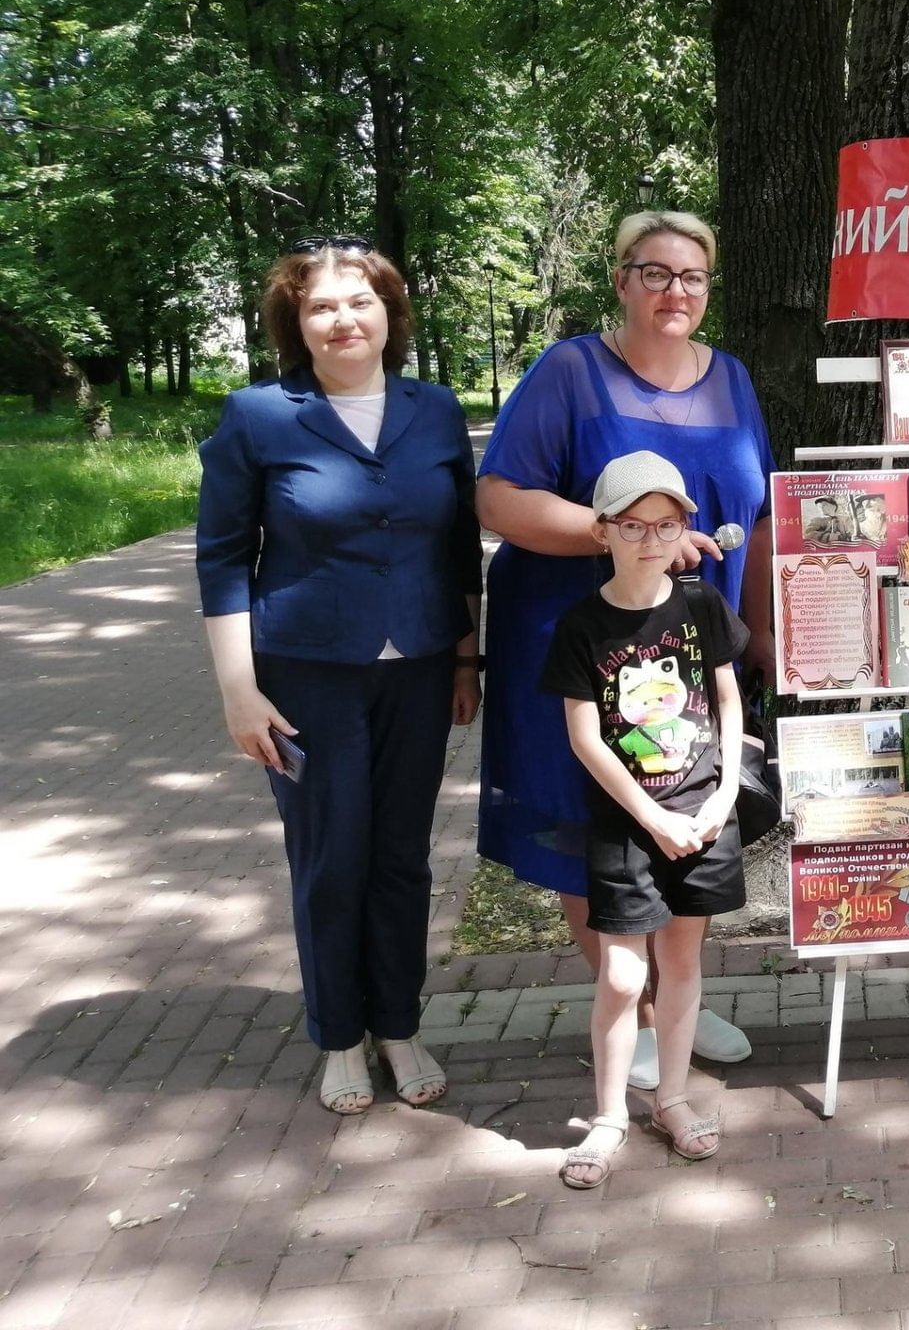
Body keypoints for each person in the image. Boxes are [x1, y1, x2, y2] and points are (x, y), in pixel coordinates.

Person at [475, 211, 773, 1082]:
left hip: (695, 654)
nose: (675, 291)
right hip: (591, 648)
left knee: (691, 814)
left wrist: (764, 641)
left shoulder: (734, 381)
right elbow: (499, 500)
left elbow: (752, 518)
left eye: (692, 277)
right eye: (655, 272)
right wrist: (626, 537)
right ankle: (630, 1007)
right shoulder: (572, 371)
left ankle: (678, 1001)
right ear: (621, 280)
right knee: (597, 822)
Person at [196, 237, 482, 1114]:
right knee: (330, 857)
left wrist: (467, 656)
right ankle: (339, 1037)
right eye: (321, 306)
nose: (342, 318)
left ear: (389, 315)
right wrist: (239, 690)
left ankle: (397, 1023)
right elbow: (222, 559)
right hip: (305, 677)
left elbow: (459, 543)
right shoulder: (259, 415)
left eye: (359, 302)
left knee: (401, 859)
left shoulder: (434, 412)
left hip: (422, 671)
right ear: (297, 323)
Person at [544, 452, 744, 1187]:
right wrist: (652, 817)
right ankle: (607, 1117)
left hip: (702, 816)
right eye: (633, 525)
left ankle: (674, 1099)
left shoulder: (700, 604)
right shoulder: (582, 624)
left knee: (684, 962)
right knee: (626, 977)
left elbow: (725, 700)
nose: (651, 540)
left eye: (666, 525)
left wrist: (720, 797)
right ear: (603, 532)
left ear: (684, 528)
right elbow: (585, 736)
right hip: (630, 825)